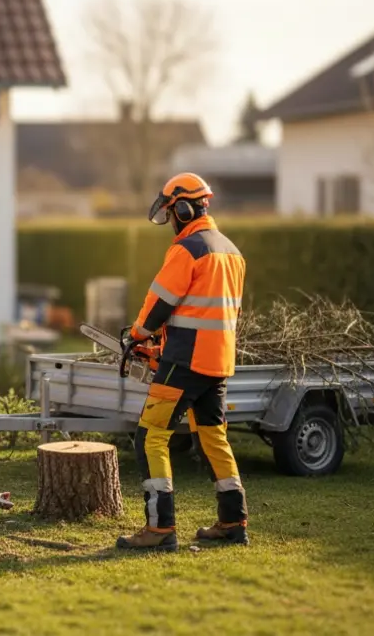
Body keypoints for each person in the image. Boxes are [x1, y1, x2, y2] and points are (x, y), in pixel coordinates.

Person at [115, 172, 249, 552]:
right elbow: (207, 310)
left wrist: (140, 335)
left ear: (185, 208)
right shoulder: (232, 252)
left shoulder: (188, 249)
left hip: (186, 361)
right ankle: (233, 522)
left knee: (150, 437)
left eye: (173, 211)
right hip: (219, 362)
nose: (172, 220)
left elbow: (160, 301)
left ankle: (159, 529)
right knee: (213, 439)